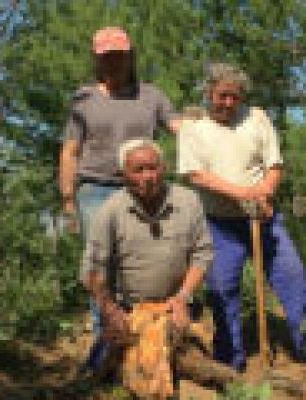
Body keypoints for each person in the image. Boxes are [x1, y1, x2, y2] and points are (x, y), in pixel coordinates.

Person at [58, 26, 181, 370]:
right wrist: (68, 199)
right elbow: (70, 151)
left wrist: (208, 123)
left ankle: (144, 343)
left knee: (141, 264)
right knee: (101, 267)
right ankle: (105, 350)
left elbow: (178, 126)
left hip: (142, 190)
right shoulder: (83, 99)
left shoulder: (151, 95)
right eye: (107, 56)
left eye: (119, 56)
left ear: (130, 56)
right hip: (94, 189)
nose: (114, 62)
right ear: (98, 59)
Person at [178, 63, 306, 372]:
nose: (228, 103)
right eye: (222, 95)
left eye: (234, 97)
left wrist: (265, 192)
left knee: (293, 278)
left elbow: (274, 164)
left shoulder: (257, 118)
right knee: (223, 290)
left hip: (265, 219)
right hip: (218, 224)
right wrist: (243, 194)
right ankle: (230, 361)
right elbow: (196, 175)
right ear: (208, 93)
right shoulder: (193, 127)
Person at [81, 139, 213, 396]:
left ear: (163, 168)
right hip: (131, 310)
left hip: (179, 304)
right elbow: (92, 269)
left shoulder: (188, 201)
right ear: (123, 175)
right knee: (96, 373)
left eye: (153, 168)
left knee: (195, 365)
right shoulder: (110, 211)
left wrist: (183, 298)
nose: (148, 177)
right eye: (138, 170)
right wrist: (110, 311)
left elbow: (203, 254)